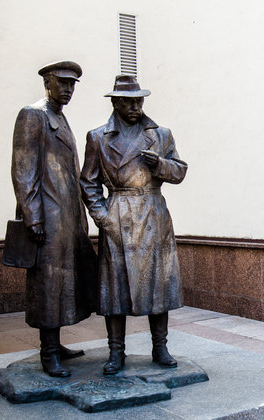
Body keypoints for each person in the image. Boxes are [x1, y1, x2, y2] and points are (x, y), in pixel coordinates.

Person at [80, 75, 188, 375]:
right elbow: (88, 182)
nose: (135, 107)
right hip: (119, 216)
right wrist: (103, 216)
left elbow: (179, 171)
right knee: (114, 289)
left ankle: (160, 346)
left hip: (153, 215)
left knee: (158, 285)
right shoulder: (98, 137)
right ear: (115, 102)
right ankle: (116, 352)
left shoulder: (161, 134)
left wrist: (160, 166)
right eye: (129, 101)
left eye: (139, 101)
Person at [11, 61, 97, 377]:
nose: (68, 89)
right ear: (48, 82)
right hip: (47, 216)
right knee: (48, 284)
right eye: (62, 83)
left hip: (67, 216)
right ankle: (49, 353)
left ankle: (56, 345)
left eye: (72, 85)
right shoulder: (33, 115)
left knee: (62, 282)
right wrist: (33, 216)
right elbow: (23, 168)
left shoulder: (59, 118)